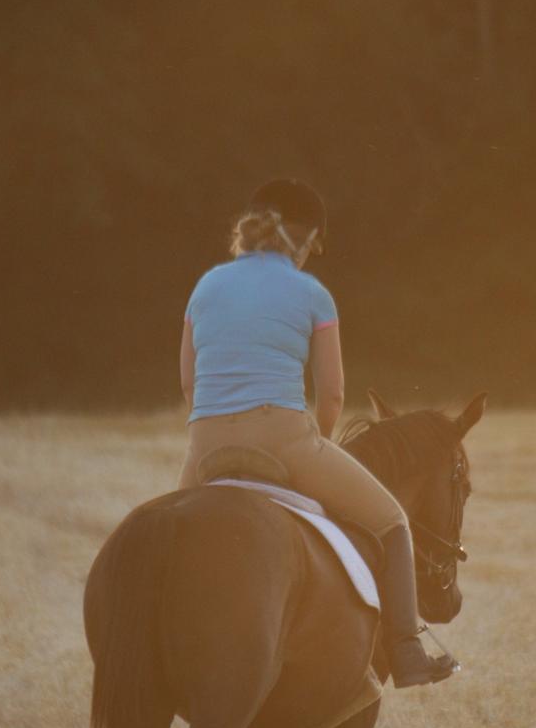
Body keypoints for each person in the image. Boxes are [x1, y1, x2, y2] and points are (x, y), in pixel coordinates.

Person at [177, 178, 456, 688]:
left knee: (172, 542)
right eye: (315, 246)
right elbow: (330, 394)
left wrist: (213, 430)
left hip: (206, 444)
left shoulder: (206, 285)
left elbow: (189, 381)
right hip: (285, 440)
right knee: (394, 524)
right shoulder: (312, 293)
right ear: (303, 242)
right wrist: (317, 444)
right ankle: (408, 652)